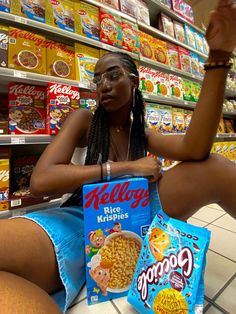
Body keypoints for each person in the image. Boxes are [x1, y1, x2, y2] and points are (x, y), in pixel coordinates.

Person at [0, 0, 236, 313]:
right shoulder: (84, 120)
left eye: (113, 76)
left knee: (215, 167)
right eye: (97, 80)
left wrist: (219, 57)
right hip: (82, 217)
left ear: (134, 82)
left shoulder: (142, 131)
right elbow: (41, 181)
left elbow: (195, 149)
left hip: (138, 212)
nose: (103, 86)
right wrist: (124, 167)